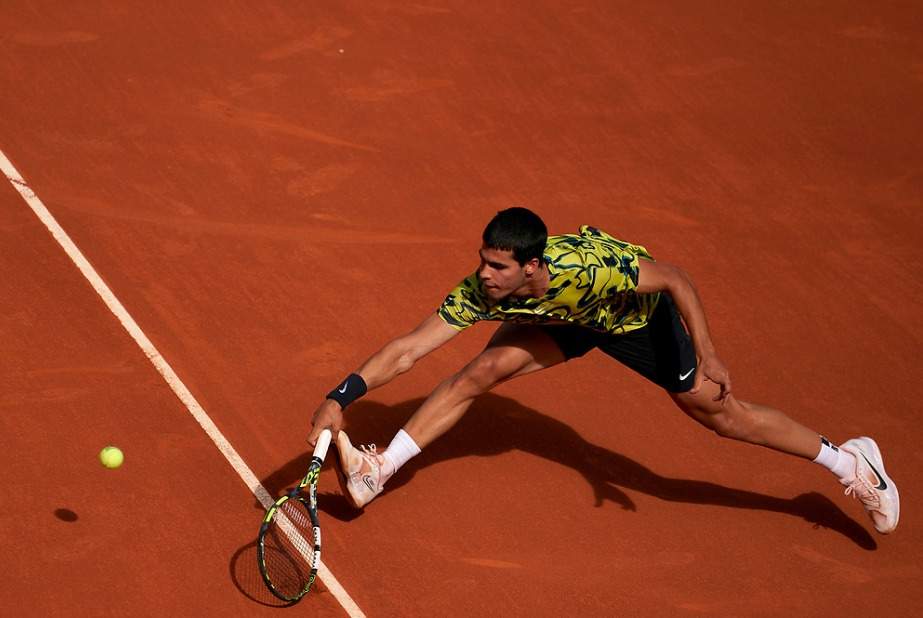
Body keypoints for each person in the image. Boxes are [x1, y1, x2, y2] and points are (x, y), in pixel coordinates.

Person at [306, 207, 899, 534]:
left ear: (532, 266)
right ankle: (379, 471)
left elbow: (675, 277)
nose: (484, 275)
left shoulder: (591, 269)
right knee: (479, 371)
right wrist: (342, 396)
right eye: (482, 262)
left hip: (634, 320)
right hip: (568, 323)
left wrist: (709, 350)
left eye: (496, 266)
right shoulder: (485, 291)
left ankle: (851, 461)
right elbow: (410, 349)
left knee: (723, 417)